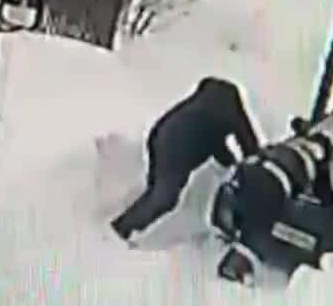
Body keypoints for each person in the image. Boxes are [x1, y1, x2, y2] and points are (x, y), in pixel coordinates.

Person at [111, 77, 260, 243]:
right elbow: (249, 146)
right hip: (177, 148)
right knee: (165, 198)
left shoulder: (211, 110)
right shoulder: (233, 117)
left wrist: (231, 164)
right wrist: (251, 166)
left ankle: (130, 221)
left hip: (160, 132)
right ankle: (120, 231)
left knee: (156, 190)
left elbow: (216, 144)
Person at [213, 128, 333, 285]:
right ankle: (235, 269)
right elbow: (326, 201)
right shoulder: (318, 162)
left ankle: (229, 240)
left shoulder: (287, 145)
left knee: (251, 217)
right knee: (259, 231)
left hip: (246, 174)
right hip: (271, 185)